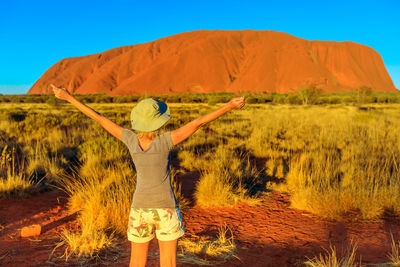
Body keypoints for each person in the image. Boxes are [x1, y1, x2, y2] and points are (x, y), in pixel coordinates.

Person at [51, 84, 245, 267]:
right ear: (158, 120)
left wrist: (68, 97)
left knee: (136, 262)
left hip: (140, 210)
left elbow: (99, 118)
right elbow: (198, 122)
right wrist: (229, 106)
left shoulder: (130, 139)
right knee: (168, 263)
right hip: (166, 209)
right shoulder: (166, 141)